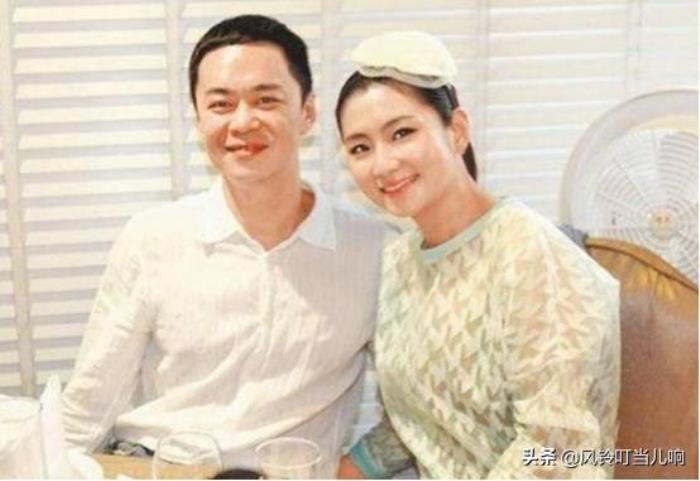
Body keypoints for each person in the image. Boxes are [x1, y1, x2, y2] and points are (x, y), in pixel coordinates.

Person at [61, 15, 384, 473]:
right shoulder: (152, 239)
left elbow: (418, 404)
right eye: (221, 104)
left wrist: (359, 468)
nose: (243, 121)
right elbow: (90, 404)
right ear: (198, 119)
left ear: (307, 112)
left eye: (266, 100)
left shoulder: (372, 249)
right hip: (163, 468)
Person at [334, 31, 620, 478]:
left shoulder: (531, 253)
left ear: (457, 131)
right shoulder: (398, 262)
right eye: (360, 148)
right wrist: (333, 472)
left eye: (402, 133)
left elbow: (556, 449)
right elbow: (417, 422)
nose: (383, 164)